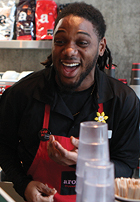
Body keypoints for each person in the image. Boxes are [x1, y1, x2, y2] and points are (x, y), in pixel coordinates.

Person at [0, 2, 139, 202]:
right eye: (60, 41)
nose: (69, 51)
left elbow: (127, 165)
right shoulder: (23, 94)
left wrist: (86, 162)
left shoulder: (122, 100)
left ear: (101, 47)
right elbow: (3, 146)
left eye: (82, 43)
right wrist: (24, 184)